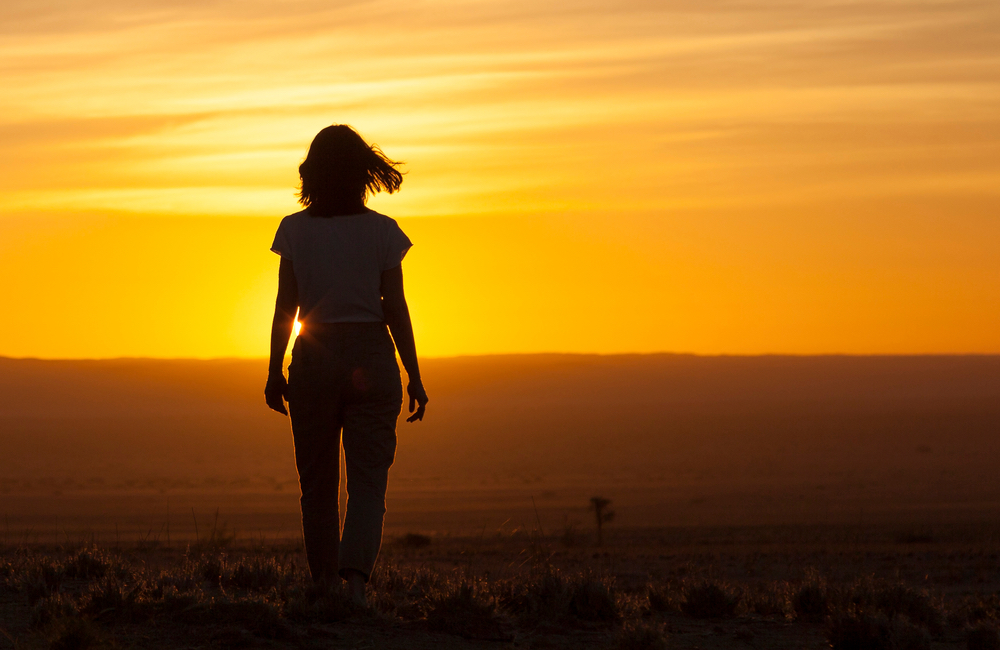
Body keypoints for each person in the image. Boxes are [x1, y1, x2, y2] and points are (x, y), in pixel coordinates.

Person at [264, 124, 428, 606]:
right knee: (369, 478)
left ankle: (322, 584)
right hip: (373, 358)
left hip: (314, 359)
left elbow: (284, 309)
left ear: (311, 173)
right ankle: (355, 583)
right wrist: (414, 374)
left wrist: (275, 371)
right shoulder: (382, 231)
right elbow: (395, 307)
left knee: (316, 480)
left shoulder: (294, 230)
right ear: (363, 173)